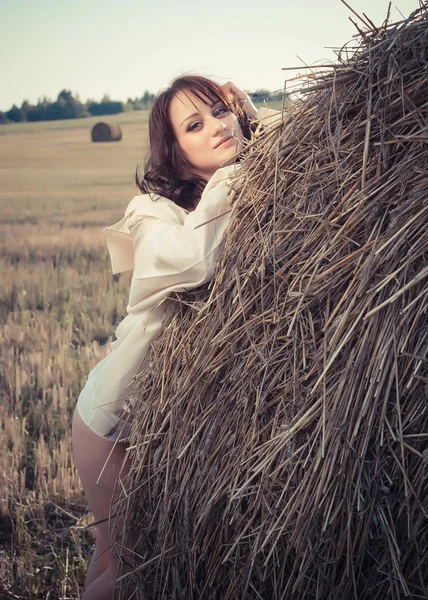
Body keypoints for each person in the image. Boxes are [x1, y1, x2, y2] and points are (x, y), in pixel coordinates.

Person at [71, 74, 281, 599]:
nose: (217, 126)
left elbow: (304, 139)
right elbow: (194, 260)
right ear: (177, 156)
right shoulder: (150, 213)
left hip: (171, 421)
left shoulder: (247, 184)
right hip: (112, 420)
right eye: (195, 124)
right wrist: (239, 169)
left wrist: (254, 119)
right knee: (133, 572)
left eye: (221, 111)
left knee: (110, 558)